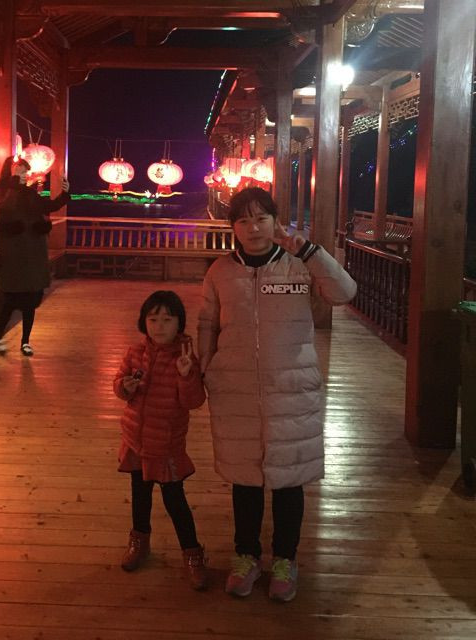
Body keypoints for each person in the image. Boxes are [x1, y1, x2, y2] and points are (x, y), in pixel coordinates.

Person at [198, 187, 357, 601]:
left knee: (289, 480)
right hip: (236, 389)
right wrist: (206, 370)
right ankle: (246, 556)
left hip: (291, 388)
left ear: (275, 221)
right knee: (245, 480)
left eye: (261, 218)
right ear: (233, 228)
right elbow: (207, 324)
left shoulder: (297, 265)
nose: (253, 228)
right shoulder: (220, 271)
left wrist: (310, 251)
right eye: (243, 220)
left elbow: (344, 293)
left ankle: (286, 558)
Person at [113, 290, 208, 590]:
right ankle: (139, 541)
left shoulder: (185, 357)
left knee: (175, 501)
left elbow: (194, 401)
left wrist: (186, 374)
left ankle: (192, 553)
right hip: (135, 441)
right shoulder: (135, 352)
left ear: (179, 323)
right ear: (143, 322)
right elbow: (118, 385)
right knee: (139, 496)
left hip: (166, 446)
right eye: (153, 319)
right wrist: (125, 387)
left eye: (167, 319)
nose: (159, 326)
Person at [0, 156, 69, 356]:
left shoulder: (30, 193)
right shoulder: (0, 191)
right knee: (9, 300)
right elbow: (6, 206)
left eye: (25, 172)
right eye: (20, 171)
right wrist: (14, 183)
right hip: (13, 255)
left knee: (30, 301)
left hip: (33, 253)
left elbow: (49, 206)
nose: (24, 175)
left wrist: (64, 194)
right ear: (9, 171)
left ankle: (25, 341)